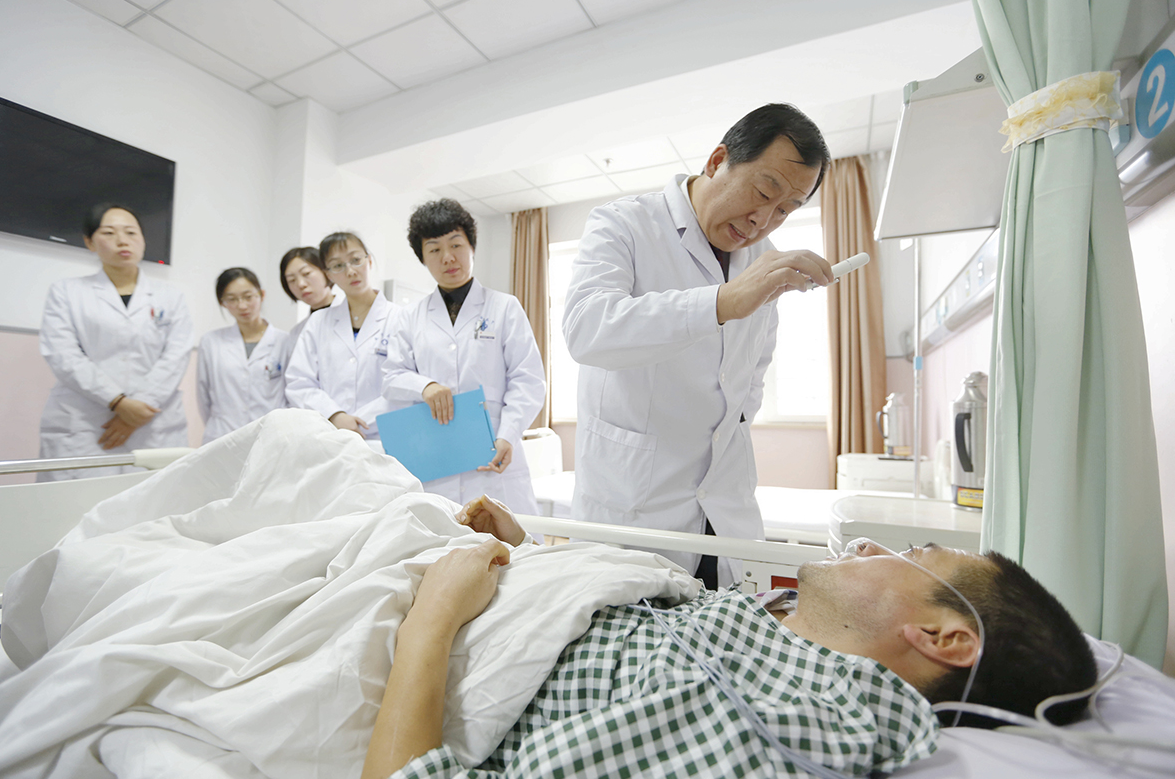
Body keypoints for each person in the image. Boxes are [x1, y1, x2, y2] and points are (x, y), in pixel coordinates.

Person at [364, 500, 1099, 779]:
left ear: (942, 638)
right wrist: (535, 559)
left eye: (915, 555)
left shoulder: (771, 725)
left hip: (408, 613)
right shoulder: (772, 641)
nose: (871, 545)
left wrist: (436, 613)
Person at [562, 103, 834, 588]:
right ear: (717, 161)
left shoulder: (764, 257)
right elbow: (587, 329)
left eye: (785, 210)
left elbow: (753, 371)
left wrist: (737, 419)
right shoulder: (623, 225)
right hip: (635, 507)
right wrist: (722, 302)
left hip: (725, 506)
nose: (762, 220)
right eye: (763, 191)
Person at [383, 200, 546, 513]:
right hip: (436, 455)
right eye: (434, 249)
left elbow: (528, 380)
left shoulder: (505, 307)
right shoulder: (409, 317)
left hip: (494, 450)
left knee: (503, 536)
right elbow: (391, 378)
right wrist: (425, 386)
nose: (447, 257)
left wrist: (508, 435)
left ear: (472, 246)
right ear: (423, 258)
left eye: (456, 244)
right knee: (441, 535)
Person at [37, 203, 193, 482]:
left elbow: (176, 356)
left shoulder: (171, 297)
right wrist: (118, 402)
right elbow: (63, 354)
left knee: (154, 501)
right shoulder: (67, 292)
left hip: (153, 423)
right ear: (90, 242)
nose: (122, 240)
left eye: (131, 232)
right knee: (76, 502)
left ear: (143, 240)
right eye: (109, 233)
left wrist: (138, 409)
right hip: (87, 422)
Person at [285, 231, 397, 440]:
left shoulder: (400, 318)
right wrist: (335, 416)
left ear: (369, 261)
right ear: (328, 275)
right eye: (337, 265)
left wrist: (359, 421)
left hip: (383, 436)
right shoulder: (318, 323)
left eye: (355, 260)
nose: (350, 271)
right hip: (330, 435)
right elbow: (299, 382)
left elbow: (405, 383)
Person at [196, 267, 292, 444]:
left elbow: (290, 395)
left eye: (248, 297)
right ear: (222, 302)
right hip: (223, 436)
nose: (242, 305)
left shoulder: (285, 341)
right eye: (232, 299)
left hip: (271, 437)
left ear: (261, 295)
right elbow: (203, 398)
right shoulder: (211, 342)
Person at [279, 246, 341, 349]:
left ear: (326, 272)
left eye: (306, 274)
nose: (300, 284)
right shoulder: (296, 334)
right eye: (292, 280)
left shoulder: (353, 317)